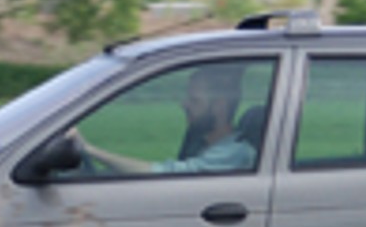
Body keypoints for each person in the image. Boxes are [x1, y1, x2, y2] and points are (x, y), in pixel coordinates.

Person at [78, 65, 256, 175]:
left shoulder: (233, 153)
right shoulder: (208, 145)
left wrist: (89, 149)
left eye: (194, 100)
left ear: (219, 107)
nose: (184, 104)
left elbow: (161, 174)